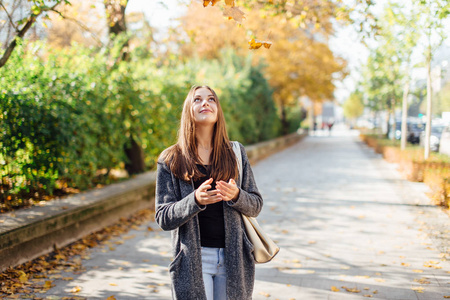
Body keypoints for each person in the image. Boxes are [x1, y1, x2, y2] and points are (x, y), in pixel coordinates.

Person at [155, 85, 263, 300]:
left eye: (211, 99)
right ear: (188, 109)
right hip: (193, 260)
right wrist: (194, 200)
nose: (205, 103)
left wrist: (236, 196)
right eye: (197, 99)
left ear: (218, 110)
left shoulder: (235, 152)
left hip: (234, 259)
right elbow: (163, 218)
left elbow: (256, 204)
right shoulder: (170, 158)